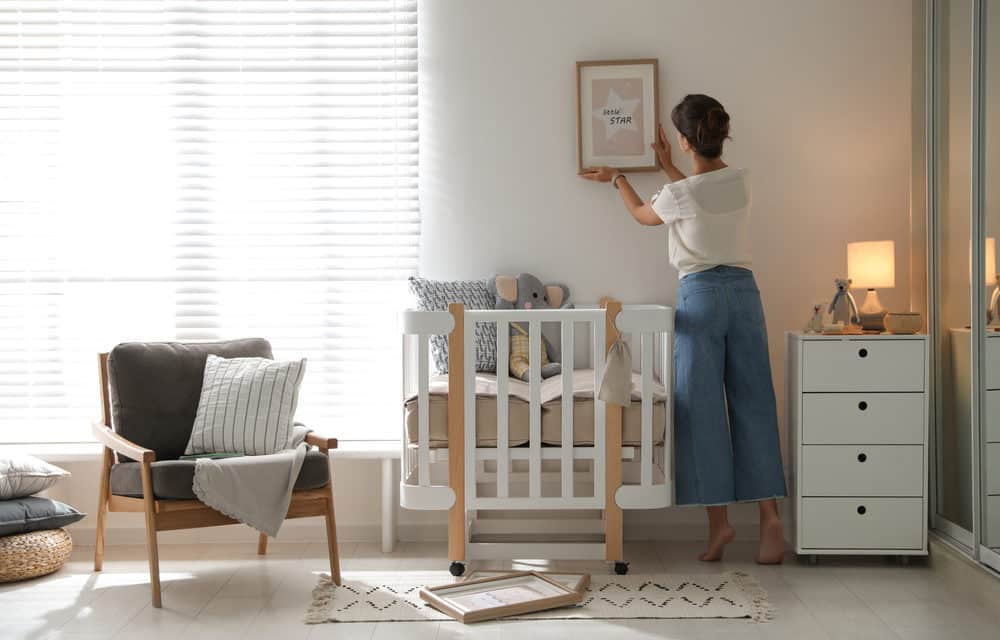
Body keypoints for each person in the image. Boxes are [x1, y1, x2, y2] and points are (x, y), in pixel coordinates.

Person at [580, 94, 786, 564]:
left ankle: (720, 526)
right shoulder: (741, 181)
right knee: (754, 401)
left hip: (702, 297)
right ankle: (770, 518)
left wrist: (619, 179)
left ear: (683, 138)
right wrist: (672, 167)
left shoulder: (678, 196)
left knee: (702, 409)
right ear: (718, 134)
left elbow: (644, 215)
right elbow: (703, 201)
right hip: (745, 294)